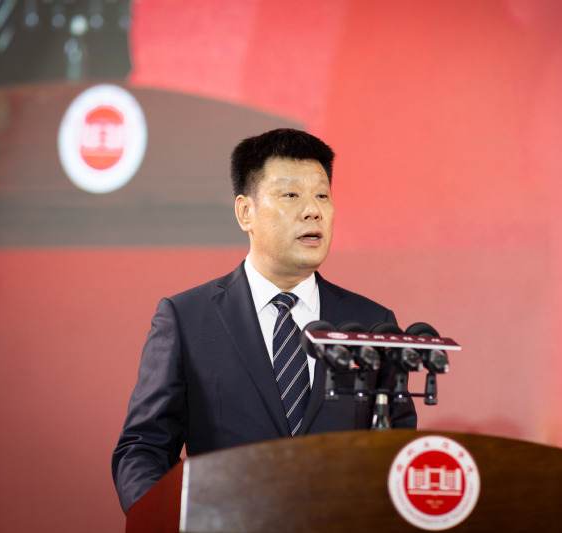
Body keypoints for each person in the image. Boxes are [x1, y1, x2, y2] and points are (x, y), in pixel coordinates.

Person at [111, 128, 417, 513]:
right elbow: (144, 448)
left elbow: (397, 450)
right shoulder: (188, 320)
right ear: (245, 212)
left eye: (322, 196)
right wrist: (162, 518)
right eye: (291, 195)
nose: (313, 210)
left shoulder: (372, 324)